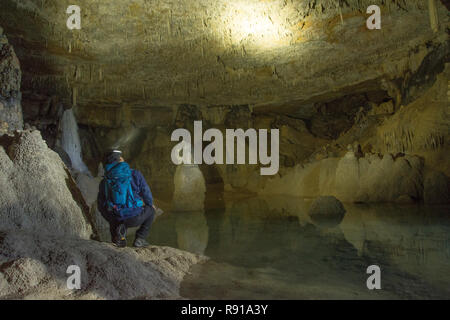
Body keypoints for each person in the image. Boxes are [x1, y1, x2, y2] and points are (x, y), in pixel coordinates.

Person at [97, 149, 156, 248]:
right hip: (134, 217)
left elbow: (101, 205)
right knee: (151, 210)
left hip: (115, 218)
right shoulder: (135, 174)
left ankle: (118, 238)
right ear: (120, 159)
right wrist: (150, 204)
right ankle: (140, 239)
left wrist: (111, 217)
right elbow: (146, 192)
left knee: (113, 214)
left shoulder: (105, 181)